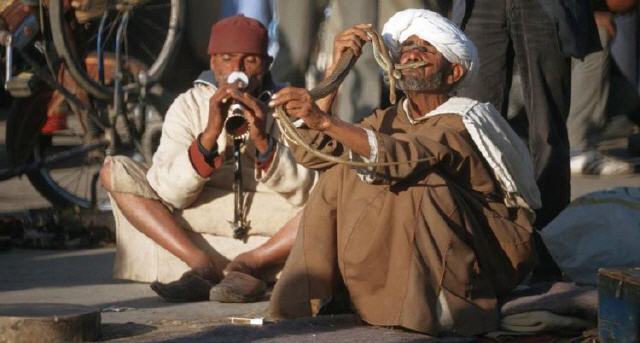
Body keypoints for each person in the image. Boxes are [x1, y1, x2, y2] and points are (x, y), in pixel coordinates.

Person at [267, 9, 537, 336]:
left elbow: (404, 156)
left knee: (422, 182)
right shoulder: (392, 118)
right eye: (408, 46)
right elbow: (313, 153)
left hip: (491, 253)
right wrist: (336, 70)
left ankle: (438, 310)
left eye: (426, 49)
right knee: (338, 175)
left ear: (454, 73)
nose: (411, 54)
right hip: (424, 241)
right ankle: (306, 303)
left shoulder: (464, 120)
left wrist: (325, 121)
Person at [99, 15, 316, 302]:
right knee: (114, 170)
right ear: (212, 62)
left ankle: (251, 263)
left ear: (266, 65)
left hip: (271, 218)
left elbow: (307, 193)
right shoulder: (188, 105)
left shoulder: (287, 108)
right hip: (203, 211)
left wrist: (264, 141)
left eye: (250, 60)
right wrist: (210, 136)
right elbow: (169, 193)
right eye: (226, 59)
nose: (237, 71)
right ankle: (201, 264)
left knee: (335, 194)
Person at [451, 0, 601, 280]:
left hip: (545, 6)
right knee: (473, 129)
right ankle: (481, 249)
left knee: (547, 134)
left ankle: (549, 254)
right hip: (480, 7)